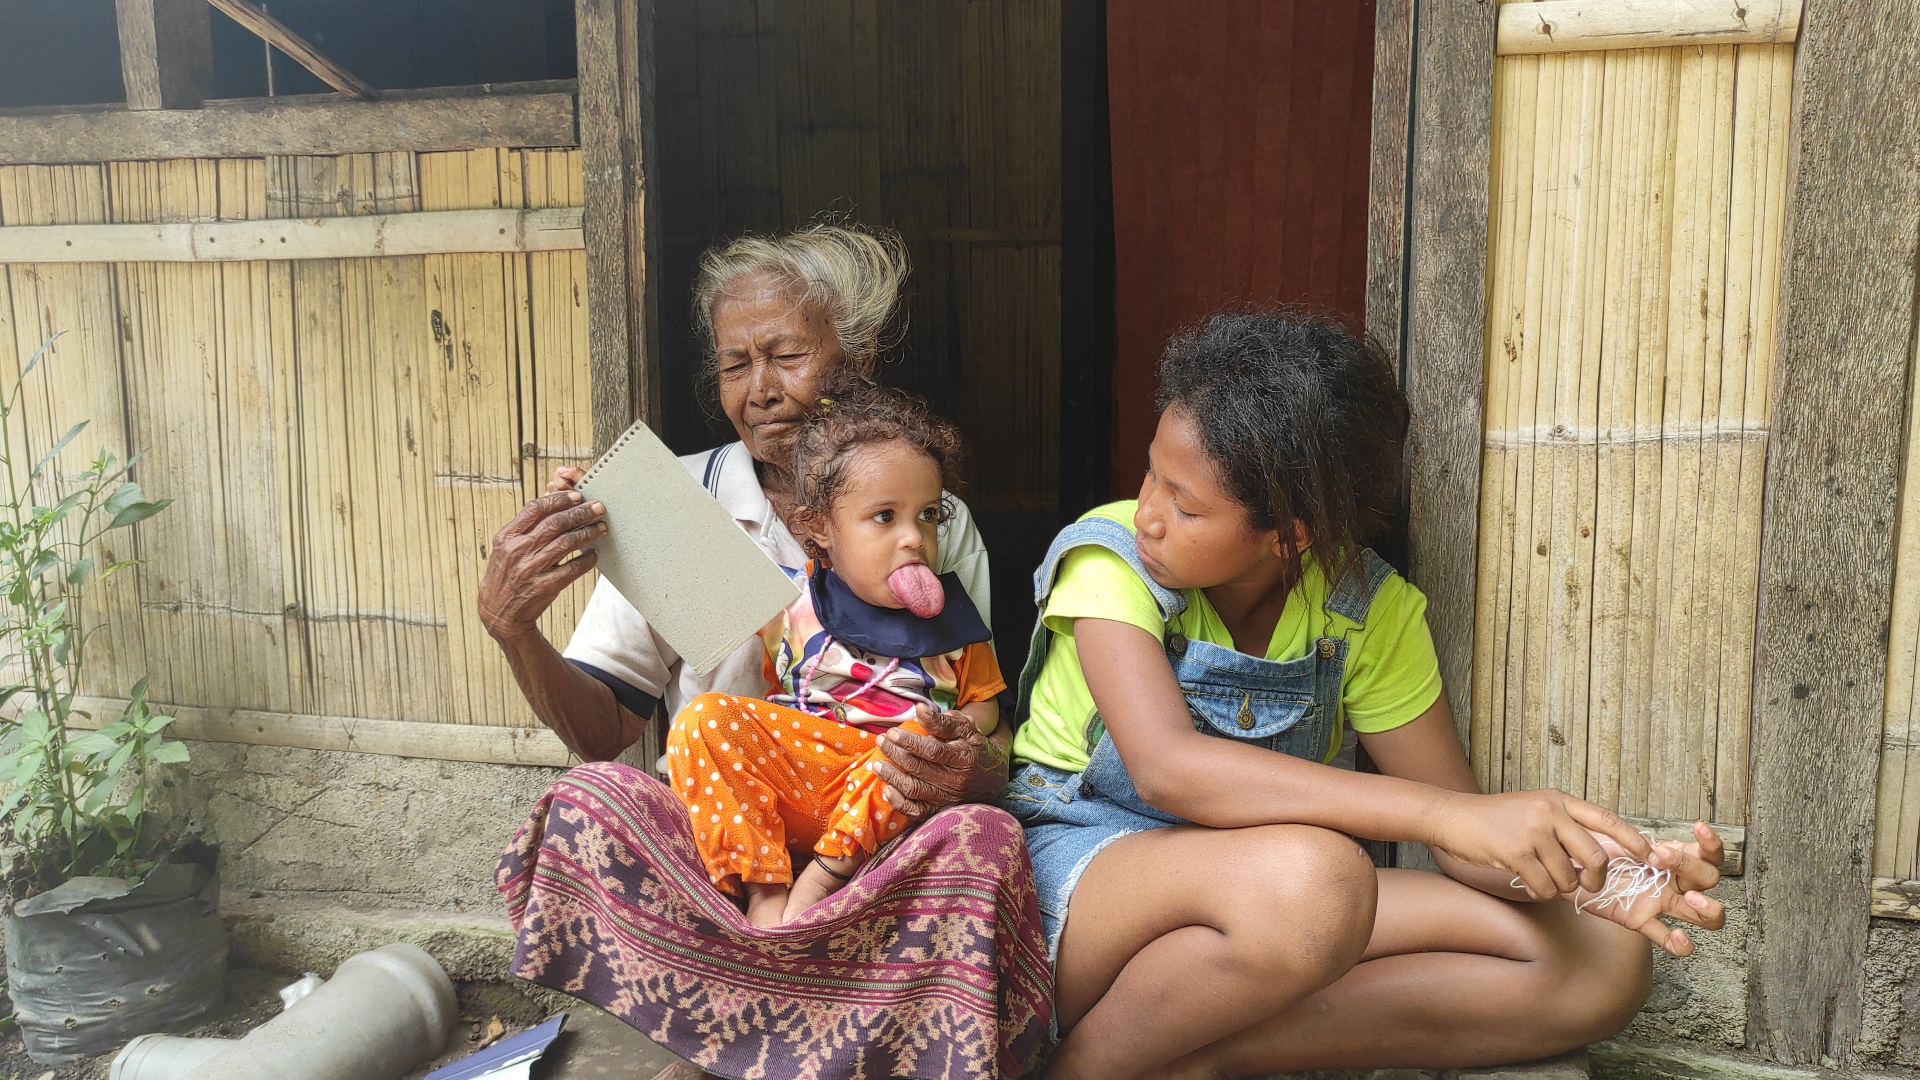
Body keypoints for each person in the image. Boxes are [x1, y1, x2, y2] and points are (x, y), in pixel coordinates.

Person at [1001, 309, 1727, 1080]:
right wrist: (1447, 813)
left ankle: (1195, 1053)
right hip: (1078, 885)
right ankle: (1085, 1068)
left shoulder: (1368, 610)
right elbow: (1166, 768)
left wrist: (1598, 867)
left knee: (1603, 957)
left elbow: (1467, 848)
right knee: (1319, 880)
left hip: (1272, 910)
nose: (1148, 512)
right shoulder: (1110, 561)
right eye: (1152, 474)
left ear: (1291, 534)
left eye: (1185, 506)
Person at [488, 224, 1050, 1080]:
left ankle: (740, 1027)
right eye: (733, 364)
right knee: (589, 799)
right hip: (726, 861)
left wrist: (962, 764)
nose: (759, 390)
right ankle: (790, 1014)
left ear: (853, 352)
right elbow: (603, 731)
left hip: (871, 860)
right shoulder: (677, 506)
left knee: (982, 835)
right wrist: (516, 630)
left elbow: (988, 735)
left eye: (785, 354)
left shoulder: (931, 517)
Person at [668, 375, 1005, 926]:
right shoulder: (791, 603)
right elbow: (685, 572)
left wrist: (954, 733)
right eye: (884, 517)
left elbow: (984, 707)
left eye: (928, 515)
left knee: (919, 734)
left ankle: (824, 876)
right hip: (806, 780)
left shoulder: (957, 624)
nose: (913, 537)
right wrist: (604, 512)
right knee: (703, 717)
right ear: (819, 527)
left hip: (889, 801)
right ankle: (763, 884)